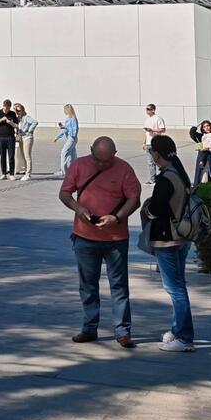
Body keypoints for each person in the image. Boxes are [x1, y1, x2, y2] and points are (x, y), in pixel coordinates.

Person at [59, 136, 141, 348]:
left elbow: (134, 198)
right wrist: (79, 209)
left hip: (116, 238)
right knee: (87, 285)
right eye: (98, 160)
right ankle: (89, 327)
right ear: (91, 151)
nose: (103, 165)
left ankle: (122, 331)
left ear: (115, 154)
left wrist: (117, 217)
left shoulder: (124, 168)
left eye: (107, 161)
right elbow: (65, 193)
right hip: (85, 237)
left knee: (119, 286)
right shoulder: (79, 165)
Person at [143, 134, 196, 351]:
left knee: (174, 288)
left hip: (167, 238)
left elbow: (156, 209)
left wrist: (146, 208)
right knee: (178, 285)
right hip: (182, 237)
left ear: (156, 154)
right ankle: (177, 331)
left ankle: (184, 337)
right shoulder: (179, 173)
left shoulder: (166, 178)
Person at [0, 99, 18, 179]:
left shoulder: (13, 114)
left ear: (10, 107)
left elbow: (16, 126)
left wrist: (10, 122)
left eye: (8, 108)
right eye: (5, 108)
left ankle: (11, 174)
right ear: (3, 106)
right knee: (2, 156)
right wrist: (0, 120)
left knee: (11, 156)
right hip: (1, 138)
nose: (6, 110)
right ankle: (3, 173)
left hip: (10, 137)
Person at [13, 103, 37, 181]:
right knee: (23, 156)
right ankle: (26, 172)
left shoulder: (26, 117)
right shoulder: (18, 118)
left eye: (18, 110)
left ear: (22, 110)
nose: (17, 111)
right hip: (21, 138)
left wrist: (29, 130)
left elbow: (35, 122)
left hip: (27, 138)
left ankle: (28, 174)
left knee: (27, 156)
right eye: (16, 110)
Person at [143, 104, 166, 183]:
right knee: (150, 162)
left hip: (155, 142)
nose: (147, 111)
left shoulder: (158, 118)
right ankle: (153, 179)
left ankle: (164, 177)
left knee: (158, 161)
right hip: (148, 143)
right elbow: (145, 133)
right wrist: (144, 143)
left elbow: (163, 130)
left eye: (149, 109)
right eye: (146, 109)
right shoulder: (147, 119)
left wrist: (152, 130)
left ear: (153, 110)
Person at [54, 104, 79, 176]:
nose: (64, 111)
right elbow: (69, 129)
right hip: (73, 139)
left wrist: (58, 136)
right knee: (73, 155)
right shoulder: (72, 118)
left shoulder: (71, 118)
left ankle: (64, 171)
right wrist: (64, 128)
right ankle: (74, 170)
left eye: (64, 110)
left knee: (64, 153)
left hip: (71, 139)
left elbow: (73, 130)